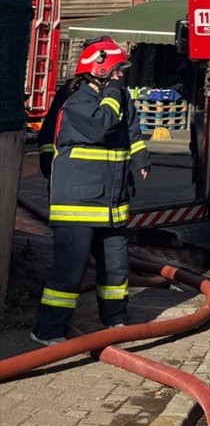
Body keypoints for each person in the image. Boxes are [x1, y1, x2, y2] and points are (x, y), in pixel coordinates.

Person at [32, 37, 151, 345]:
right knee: (70, 271)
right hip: (78, 202)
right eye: (116, 70)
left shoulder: (118, 96)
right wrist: (49, 164)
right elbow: (102, 125)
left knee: (116, 268)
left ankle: (116, 321)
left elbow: (131, 130)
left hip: (111, 201)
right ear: (97, 69)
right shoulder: (77, 101)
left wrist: (140, 159)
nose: (121, 76)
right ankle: (48, 330)